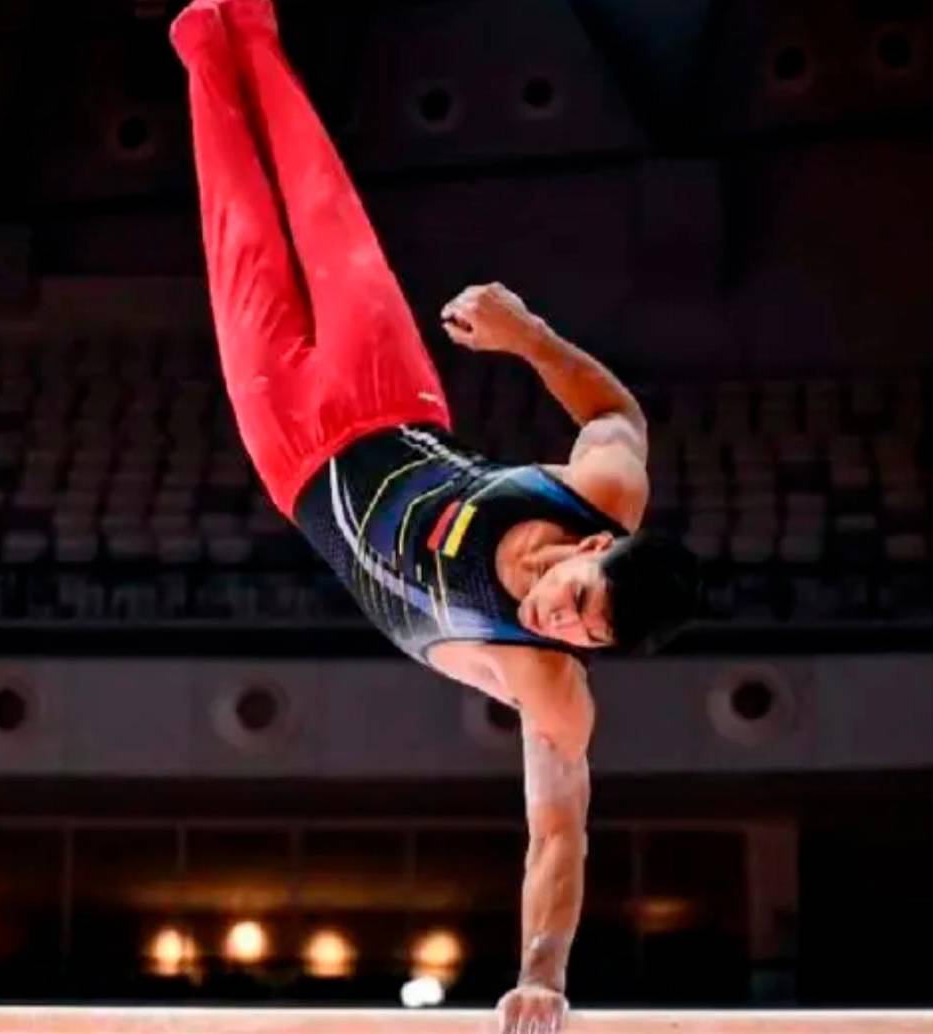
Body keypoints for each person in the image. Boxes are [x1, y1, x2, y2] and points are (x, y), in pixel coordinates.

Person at [170, 2, 699, 1030]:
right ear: (594, 546)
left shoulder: (545, 685)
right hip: (391, 395)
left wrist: (541, 971)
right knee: (321, 203)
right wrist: (529, 335)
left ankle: (200, 34)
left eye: (584, 635)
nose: (559, 622)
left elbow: (557, 833)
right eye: (577, 599)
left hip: (291, 449)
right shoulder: (600, 493)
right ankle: (253, 22)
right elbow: (612, 413)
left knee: (235, 221)